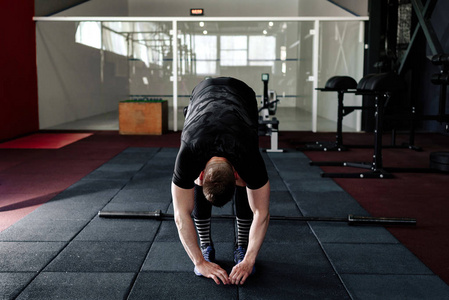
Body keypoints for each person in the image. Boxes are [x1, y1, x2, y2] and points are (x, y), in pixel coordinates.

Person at [172, 77, 270, 285]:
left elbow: (261, 212)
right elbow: (181, 215)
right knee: (210, 184)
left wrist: (249, 260)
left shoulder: (248, 155)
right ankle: (206, 245)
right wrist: (199, 261)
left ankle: (242, 246)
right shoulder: (189, 154)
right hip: (202, 93)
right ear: (199, 174)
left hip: (242, 96)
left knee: (251, 182)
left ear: (236, 176)